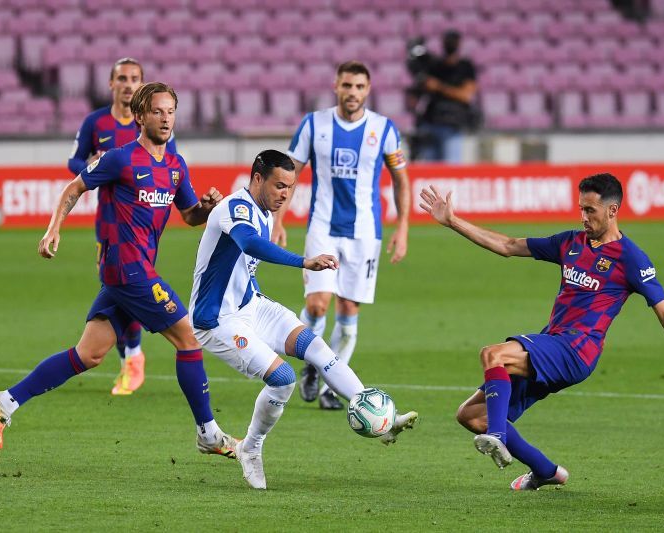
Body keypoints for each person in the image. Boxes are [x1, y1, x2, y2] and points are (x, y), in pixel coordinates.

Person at [419, 173, 664, 491]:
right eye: (581, 208)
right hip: (554, 342)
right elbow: (509, 246)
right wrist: (453, 221)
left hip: (578, 350)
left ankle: (497, 437)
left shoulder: (631, 258)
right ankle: (546, 471)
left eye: (590, 210)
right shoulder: (570, 242)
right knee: (471, 415)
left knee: (492, 354)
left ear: (612, 211)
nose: (583, 217)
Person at [0, 82, 239, 461]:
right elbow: (74, 187)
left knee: (89, 354)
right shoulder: (121, 159)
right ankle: (208, 432)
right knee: (188, 339)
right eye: (157, 111)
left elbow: (189, 216)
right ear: (139, 116)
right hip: (126, 268)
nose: (166, 119)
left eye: (170, 111)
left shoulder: (175, 166)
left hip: (134, 271)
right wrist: (53, 228)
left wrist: (206, 206)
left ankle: (4, 401)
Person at [191, 149, 418, 489]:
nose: (285, 194)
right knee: (282, 379)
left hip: (251, 306)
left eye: (291, 187)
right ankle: (250, 449)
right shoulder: (235, 209)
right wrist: (304, 262)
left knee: (319, 349)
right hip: (217, 320)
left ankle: (379, 416)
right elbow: (249, 245)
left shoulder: (264, 211)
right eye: (279, 186)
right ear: (256, 179)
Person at [272, 61, 411, 410]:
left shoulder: (384, 129)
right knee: (318, 305)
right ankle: (311, 363)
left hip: (365, 233)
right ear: (336, 85)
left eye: (359, 87)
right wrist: (277, 220)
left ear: (368, 89)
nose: (353, 92)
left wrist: (404, 225)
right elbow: (290, 174)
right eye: (347, 85)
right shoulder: (313, 124)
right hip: (322, 226)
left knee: (349, 310)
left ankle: (331, 387)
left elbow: (400, 179)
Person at [68, 57, 178, 396]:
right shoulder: (95, 122)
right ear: (111, 84)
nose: (128, 84)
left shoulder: (152, 124)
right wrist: (90, 164)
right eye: (122, 78)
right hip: (108, 222)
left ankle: (132, 358)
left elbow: (168, 163)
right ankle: (130, 357)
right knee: (121, 287)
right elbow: (73, 161)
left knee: (129, 285)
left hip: (142, 224)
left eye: (135, 78)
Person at [414, 30, 477, 163]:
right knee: (429, 173)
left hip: (453, 126)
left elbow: (466, 95)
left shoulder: (465, 67)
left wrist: (439, 87)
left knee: (450, 172)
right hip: (431, 123)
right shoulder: (434, 65)